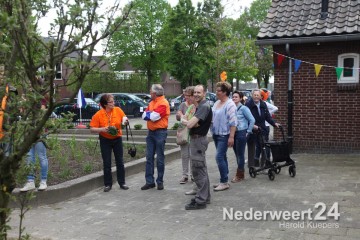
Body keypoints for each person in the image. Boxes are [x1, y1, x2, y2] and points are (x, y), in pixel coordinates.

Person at [181, 84, 212, 210]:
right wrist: (189, 122)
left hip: (198, 141)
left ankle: (201, 200)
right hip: (197, 140)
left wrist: (185, 121)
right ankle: (205, 197)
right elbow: (192, 123)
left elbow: (189, 124)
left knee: (198, 171)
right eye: (195, 92)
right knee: (201, 170)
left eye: (199, 92)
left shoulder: (204, 107)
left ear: (204, 93)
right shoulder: (200, 106)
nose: (196, 94)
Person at [90, 93, 129, 192]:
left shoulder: (118, 110)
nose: (113, 103)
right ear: (105, 104)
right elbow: (92, 129)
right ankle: (108, 184)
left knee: (120, 161)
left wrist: (125, 122)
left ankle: (122, 182)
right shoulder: (98, 114)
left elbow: (124, 120)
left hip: (117, 139)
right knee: (107, 162)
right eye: (111, 102)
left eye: (113, 101)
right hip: (105, 140)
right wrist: (102, 129)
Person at [141, 84, 170, 190]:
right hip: (151, 132)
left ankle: (160, 181)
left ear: (155, 93)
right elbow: (144, 115)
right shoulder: (152, 102)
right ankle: (150, 182)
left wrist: (149, 114)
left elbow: (153, 117)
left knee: (160, 158)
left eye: (150, 91)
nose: (149, 93)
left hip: (160, 132)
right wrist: (149, 115)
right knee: (149, 157)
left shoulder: (163, 103)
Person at [211, 82, 237, 191]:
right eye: (216, 90)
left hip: (224, 135)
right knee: (223, 156)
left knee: (219, 157)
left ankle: (224, 182)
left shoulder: (230, 104)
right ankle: (224, 178)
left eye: (218, 91)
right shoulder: (216, 102)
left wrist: (231, 137)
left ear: (225, 92)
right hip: (216, 134)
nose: (216, 93)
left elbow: (233, 122)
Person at [246, 89, 280, 169]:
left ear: (260, 96)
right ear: (252, 96)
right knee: (259, 146)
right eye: (255, 95)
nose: (256, 97)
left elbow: (267, 116)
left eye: (258, 95)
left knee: (264, 145)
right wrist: (252, 125)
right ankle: (256, 163)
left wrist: (274, 123)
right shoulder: (248, 105)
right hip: (253, 129)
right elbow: (246, 118)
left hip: (262, 128)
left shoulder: (263, 104)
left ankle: (263, 163)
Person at [231, 91, 255, 183]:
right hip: (234, 133)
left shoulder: (244, 108)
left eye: (236, 97)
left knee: (240, 155)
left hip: (241, 133)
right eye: (233, 97)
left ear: (241, 98)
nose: (234, 98)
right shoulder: (231, 108)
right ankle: (241, 172)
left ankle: (240, 175)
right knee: (237, 154)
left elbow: (252, 120)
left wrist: (248, 131)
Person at [176, 86, 196, 184]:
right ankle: (184, 175)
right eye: (185, 95)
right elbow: (177, 116)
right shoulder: (183, 105)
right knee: (184, 155)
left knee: (193, 155)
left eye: (188, 95)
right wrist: (180, 114)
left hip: (192, 133)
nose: (186, 97)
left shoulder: (196, 105)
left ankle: (193, 175)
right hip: (184, 133)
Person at [261, 89, 278, 162]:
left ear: (262, 96)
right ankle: (264, 158)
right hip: (261, 125)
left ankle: (267, 158)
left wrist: (267, 113)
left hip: (266, 125)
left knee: (265, 143)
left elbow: (276, 108)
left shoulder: (265, 103)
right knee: (262, 143)